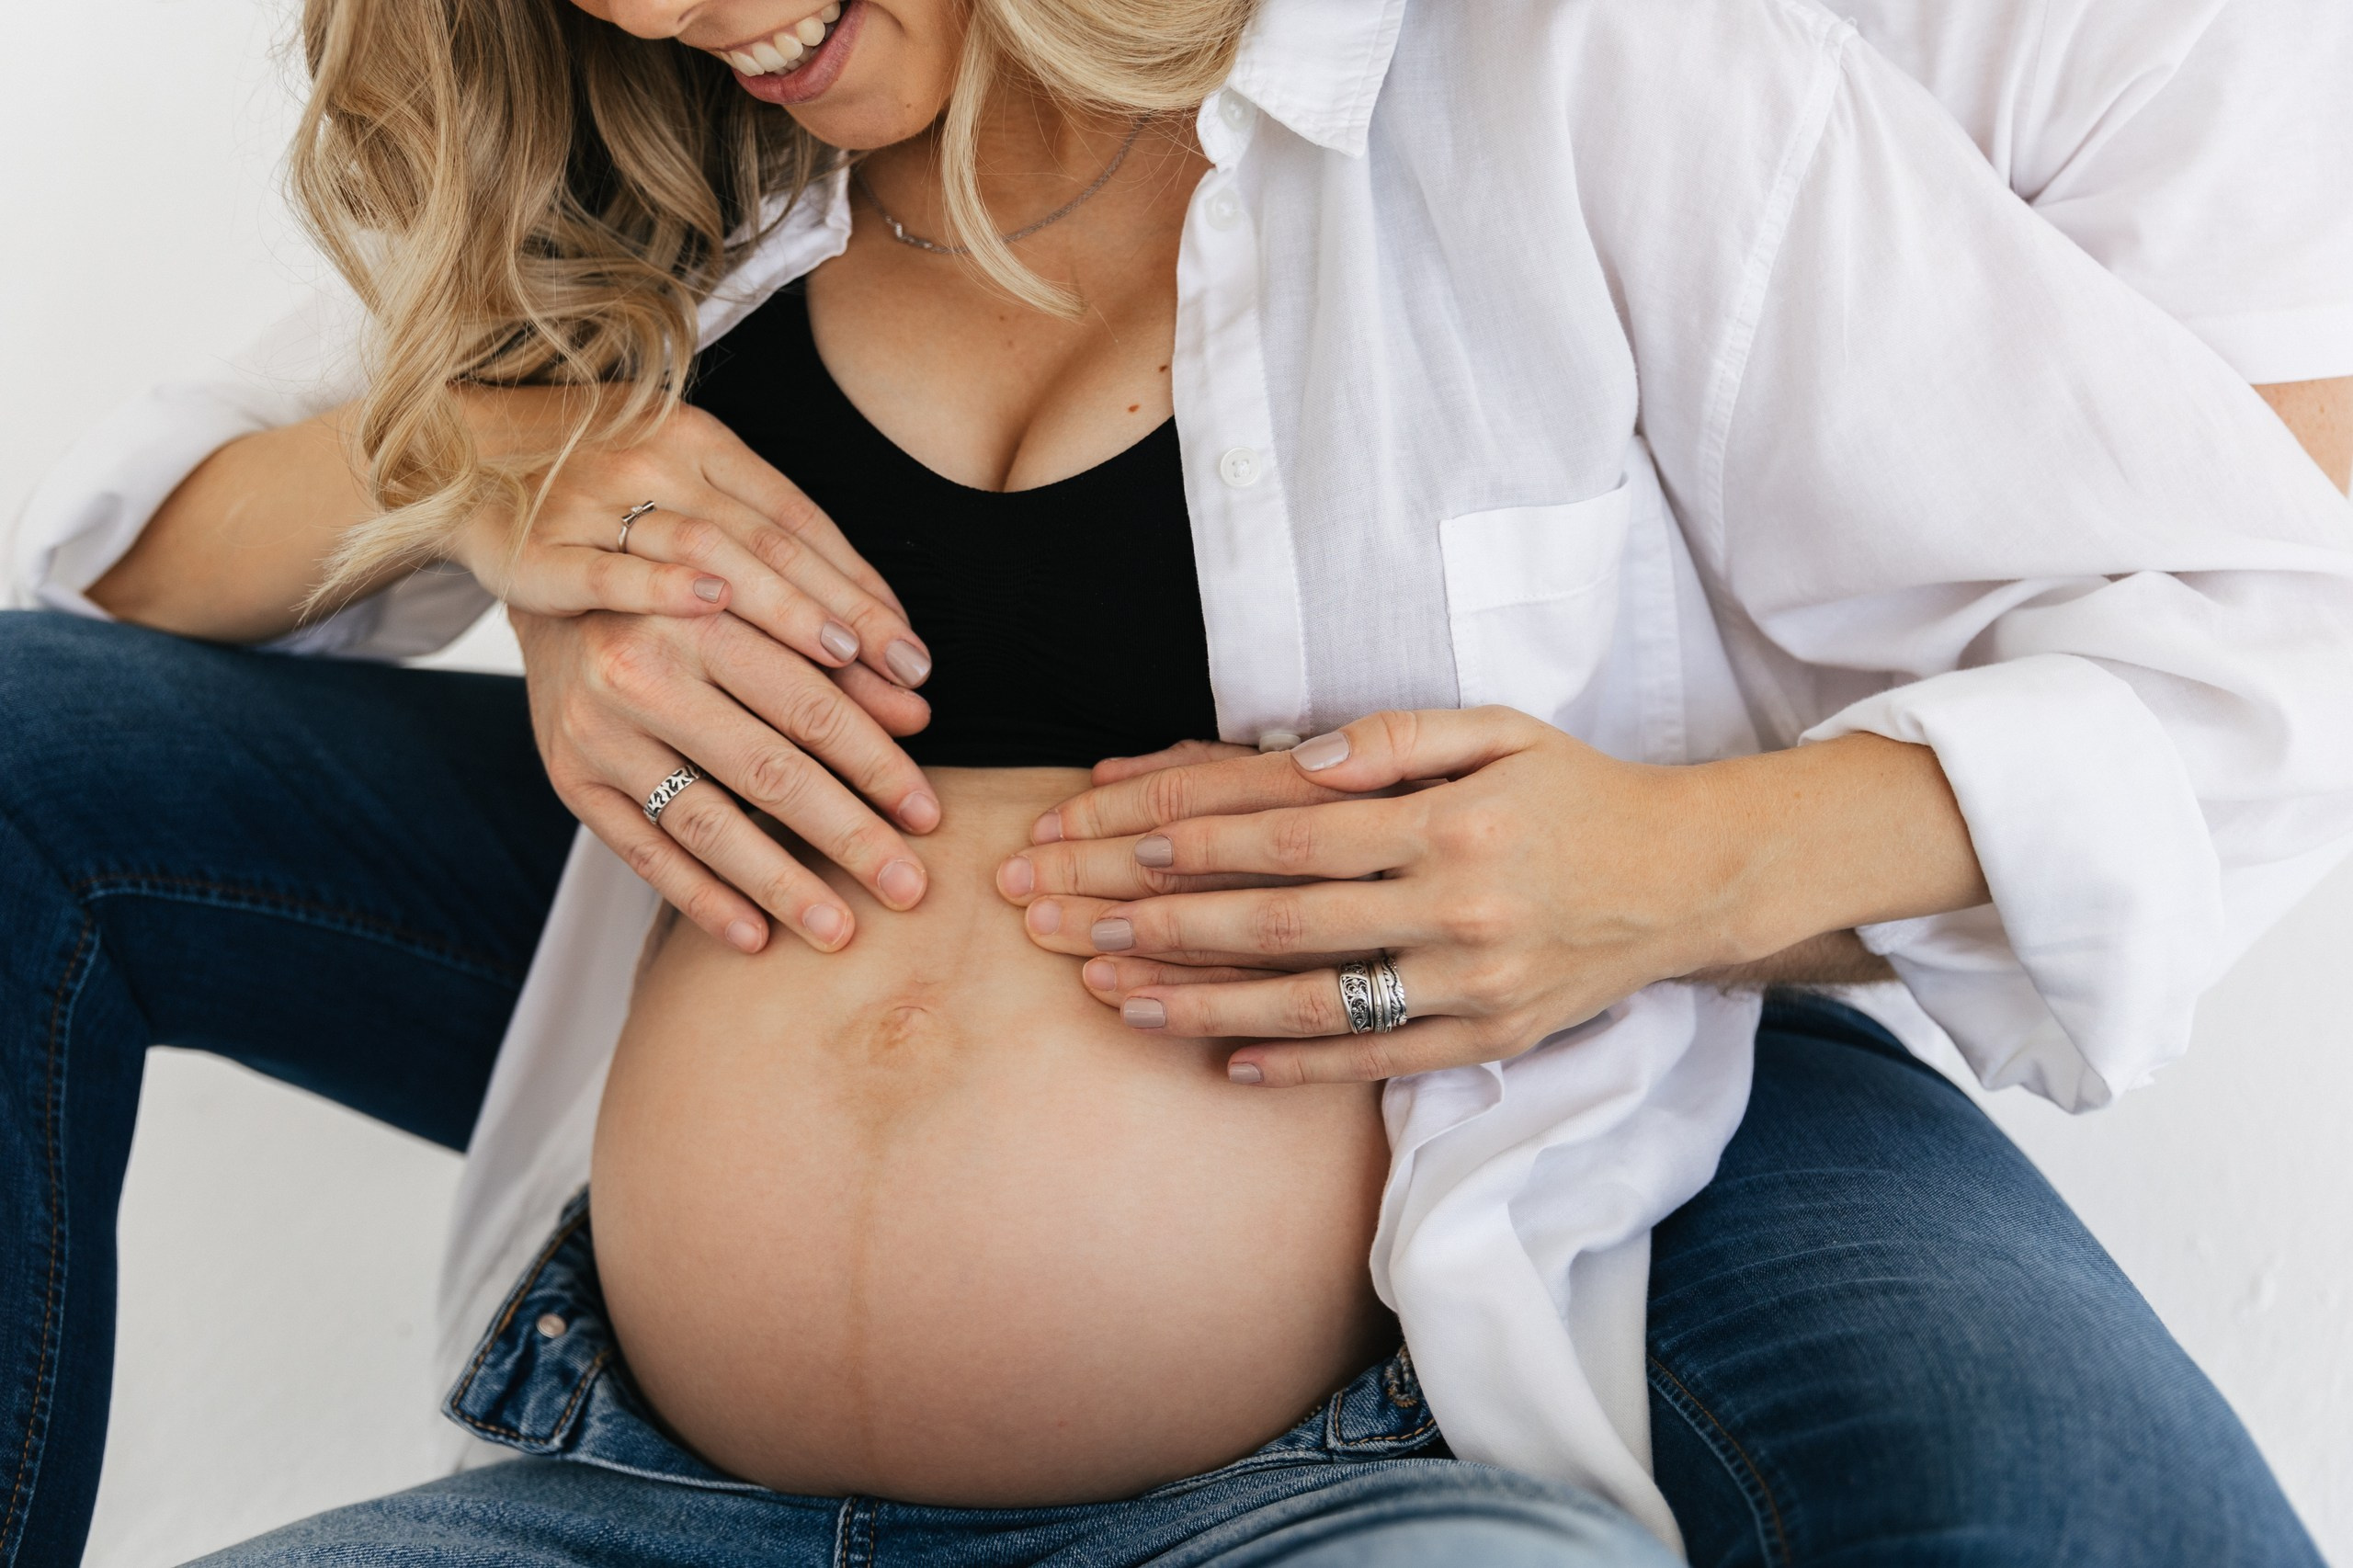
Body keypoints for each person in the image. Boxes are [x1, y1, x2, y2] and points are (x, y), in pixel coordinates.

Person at [4, 1, 2349, 1565]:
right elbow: (125, 572)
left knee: (2052, 1474)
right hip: (640, 1491)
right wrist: (494, 462)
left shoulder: (1561, 73)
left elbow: (2255, 618)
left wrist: (1661, 861)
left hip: (1330, 1483)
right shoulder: (657, 164)